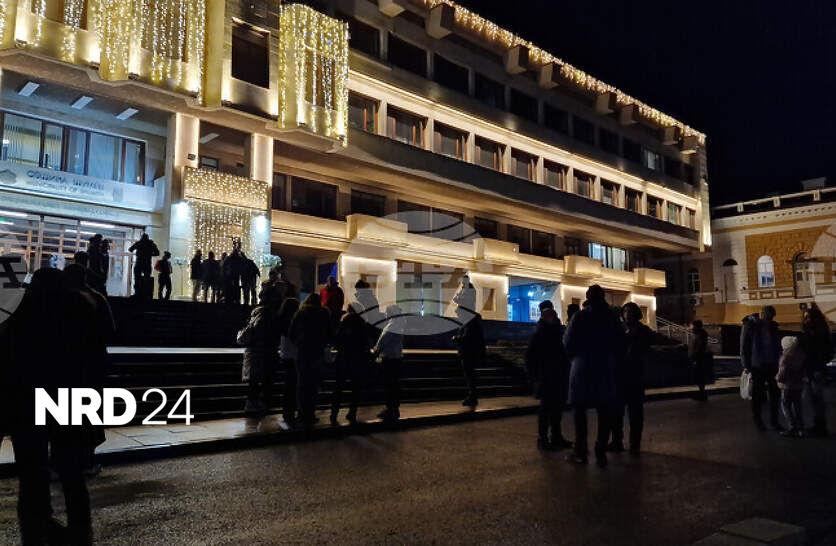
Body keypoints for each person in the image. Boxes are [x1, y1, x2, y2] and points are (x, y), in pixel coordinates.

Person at [5, 268, 99, 544]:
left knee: (31, 470)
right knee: (71, 469)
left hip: (27, 396)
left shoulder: (20, 309)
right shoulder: (78, 306)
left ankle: (36, 526)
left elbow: (9, 353)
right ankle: (80, 528)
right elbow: (91, 350)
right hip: (67, 394)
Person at [563, 285, 622, 467]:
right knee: (604, 409)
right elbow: (620, 342)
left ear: (588, 297)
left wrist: (576, 356)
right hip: (604, 365)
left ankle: (580, 451)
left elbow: (567, 342)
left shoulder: (580, 316)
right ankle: (600, 449)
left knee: (579, 409)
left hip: (582, 365)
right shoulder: (612, 317)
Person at [526, 306, 572, 451]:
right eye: (552, 316)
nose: (555, 318)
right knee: (547, 409)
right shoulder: (542, 334)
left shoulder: (555, 332)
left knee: (556, 408)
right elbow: (531, 357)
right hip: (547, 376)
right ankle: (544, 438)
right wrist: (535, 376)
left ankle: (555, 436)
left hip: (556, 375)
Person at [609, 302, 653, 454]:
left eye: (630, 311)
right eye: (625, 311)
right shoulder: (618, 329)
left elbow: (652, 342)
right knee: (617, 412)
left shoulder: (643, 330)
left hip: (635, 376)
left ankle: (635, 443)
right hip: (620, 375)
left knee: (636, 413)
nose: (627, 314)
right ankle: (617, 441)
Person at [289, 293, 332, 428]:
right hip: (317, 351)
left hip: (303, 352)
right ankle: (311, 413)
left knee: (302, 384)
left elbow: (291, 333)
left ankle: (301, 413)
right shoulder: (324, 314)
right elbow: (329, 332)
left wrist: (298, 342)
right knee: (313, 384)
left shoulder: (300, 313)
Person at [238, 288, 283, 415]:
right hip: (264, 352)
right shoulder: (268, 314)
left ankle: (253, 405)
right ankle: (258, 405)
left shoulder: (258, 313)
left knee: (255, 381)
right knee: (263, 381)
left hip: (256, 352)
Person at [740, 306, 783, 430]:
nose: (770, 319)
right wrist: (746, 365)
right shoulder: (751, 326)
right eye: (768, 316)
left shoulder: (773, 326)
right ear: (762, 314)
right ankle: (759, 421)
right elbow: (744, 346)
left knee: (774, 393)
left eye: (771, 317)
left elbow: (777, 345)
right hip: (758, 365)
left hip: (771, 364)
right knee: (757, 394)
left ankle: (774, 421)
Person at [332, 304, 372, 425]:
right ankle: (352, 412)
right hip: (358, 359)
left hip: (344, 358)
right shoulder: (362, 324)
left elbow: (336, 340)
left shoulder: (344, 322)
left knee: (338, 388)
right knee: (355, 388)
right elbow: (366, 342)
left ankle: (334, 413)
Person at [799, 307, 833, 437]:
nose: (806, 320)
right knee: (815, 399)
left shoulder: (817, 334)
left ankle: (820, 426)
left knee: (817, 399)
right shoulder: (816, 333)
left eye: (808, 317)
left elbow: (824, 352)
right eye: (805, 317)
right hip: (813, 369)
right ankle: (819, 424)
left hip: (815, 369)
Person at [452, 294, 485, 408]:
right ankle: (472, 395)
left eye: (459, 313)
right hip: (467, 352)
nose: (458, 315)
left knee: (470, 375)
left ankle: (472, 396)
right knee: (469, 375)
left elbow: (469, 337)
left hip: (469, 353)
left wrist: (457, 338)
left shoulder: (470, 322)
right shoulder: (469, 321)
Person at [374, 305, 405, 422]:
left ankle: (390, 408)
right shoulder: (398, 324)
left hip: (389, 359)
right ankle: (393, 408)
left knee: (389, 385)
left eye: (387, 312)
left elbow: (383, 341)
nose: (385, 314)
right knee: (393, 385)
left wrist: (376, 351)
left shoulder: (392, 326)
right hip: (396, 358)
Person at [776, 336, 807, 438]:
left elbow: (782, 373)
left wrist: (777, 378)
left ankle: (792, 427)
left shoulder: (785, 357)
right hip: (798, 385)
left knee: (786, 407)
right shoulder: (801, 355)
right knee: (798, 407)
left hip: (787, 386)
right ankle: (801, 429)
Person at [278, 298, 300, 426]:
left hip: (285, 353)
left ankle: (287, 412)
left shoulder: (281, 319)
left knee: (288, 386)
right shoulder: (294, 320)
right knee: (292, 386)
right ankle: (290, 412)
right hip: (293, 355)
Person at [128, 233, 159, 299]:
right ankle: (146, 294)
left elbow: (130, 249)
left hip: (139, 263)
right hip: (147, 263)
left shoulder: (139, 243)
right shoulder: (151, 244)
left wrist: (138, 253)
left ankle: (137, 293)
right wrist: (149, 254)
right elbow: (157, 253)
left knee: (137, 279)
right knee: (146, 280)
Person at [690, 320, 711, 401]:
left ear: (696, 326)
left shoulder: (700, 335)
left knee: (700, 376)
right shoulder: (699, 334)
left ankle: (702, 395)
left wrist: (694, 357)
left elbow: (699, 347)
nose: (691, 328)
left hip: (699, 358)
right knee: (699, 377)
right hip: (699, 358)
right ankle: (702, 394)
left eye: (693, 326)